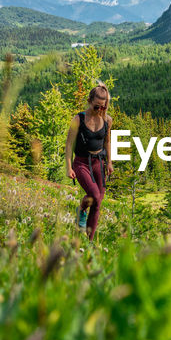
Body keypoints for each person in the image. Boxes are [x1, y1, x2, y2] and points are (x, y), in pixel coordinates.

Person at [66, 84, 112, 239]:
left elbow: (107, 142)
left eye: (103, 107)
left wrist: (110, 163)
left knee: (98, 203)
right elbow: (69, 143)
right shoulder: (78, 119)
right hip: (81, 162)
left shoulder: (107, 120)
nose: (99, 110)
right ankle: (81, 209)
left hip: (99, 163)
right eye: (96, 106)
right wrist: (68, 167)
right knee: (94, 195)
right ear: (89, 101)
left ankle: (89, 241)